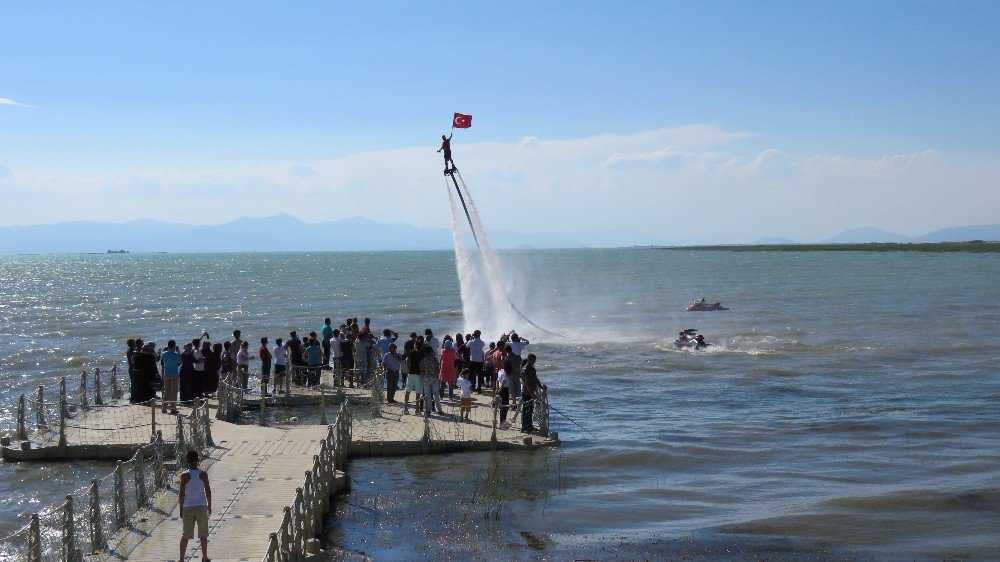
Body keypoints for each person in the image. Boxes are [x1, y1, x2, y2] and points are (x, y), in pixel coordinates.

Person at [178, 449, 212, 562]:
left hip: (188, 507)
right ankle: (205, 557)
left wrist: (181, 508)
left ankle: (181, 559)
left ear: (187, 461)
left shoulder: (184, 475)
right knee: (203, 535)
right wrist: (209, 506)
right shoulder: (203, 474)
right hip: (201, 506)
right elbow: (208, 491)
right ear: (198, 461)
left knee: (185, 536)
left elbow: (181, 494)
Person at [521, 353, 544, 434]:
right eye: (534, 360)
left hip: (532, 392)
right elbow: (526, 383)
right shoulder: (525, 369)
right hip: (526, 392)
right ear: (530, 359)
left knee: (530, 410)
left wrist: (541, 387)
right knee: (526, 410)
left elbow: (536, 379)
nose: (535, 362)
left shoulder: (532, 369)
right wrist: (531, 394)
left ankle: (529, 426)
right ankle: (524, 427)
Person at [419, 344, 443, 416]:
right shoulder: (434, 359)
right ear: (430, 351)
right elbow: (437, 369)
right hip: (434, 378)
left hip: (426, 378)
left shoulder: (423, 359)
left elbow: (421, 369)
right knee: (436, 394)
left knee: (427, 395)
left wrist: (423, 377)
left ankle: (428, 411)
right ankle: (439, 410)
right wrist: (437, 376)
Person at [160, 340, 181, 414]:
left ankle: (164, 408)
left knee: (166, 391)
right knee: (174, 391)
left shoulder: (164, 354)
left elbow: (162, 358)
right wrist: (178, 352)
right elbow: (179, 363)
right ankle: (173, 408)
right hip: (174, 373)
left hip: (166, 373)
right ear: (174, 346)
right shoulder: (175, 354)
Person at [402, 339, 422, 414]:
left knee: (408, 391)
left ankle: (406, 408)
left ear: (415, 345)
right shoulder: (422, 354)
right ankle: (417, 410)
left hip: (410, 373)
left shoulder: (410, 352)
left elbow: (407, 361)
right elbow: (421, 365)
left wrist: (408, 368)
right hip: (418, 374)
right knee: (418, 392)